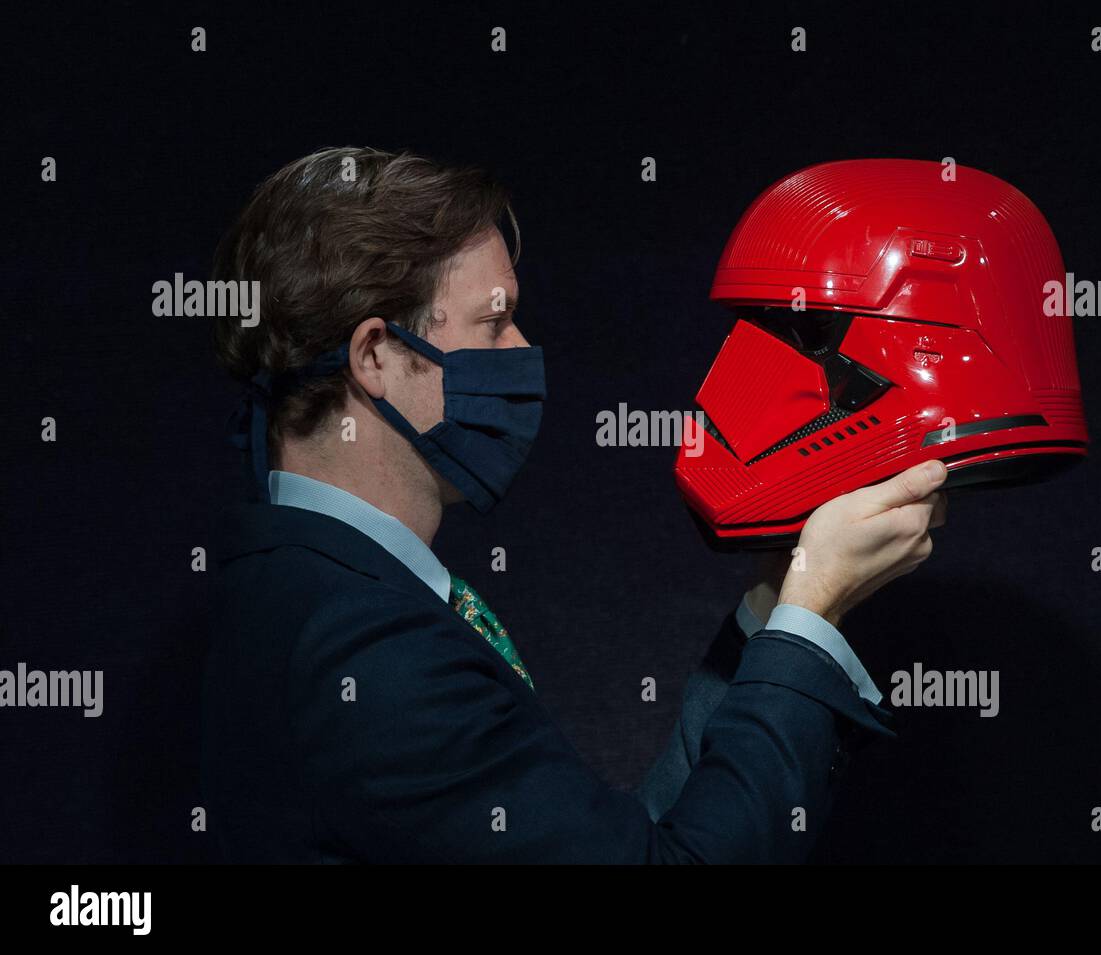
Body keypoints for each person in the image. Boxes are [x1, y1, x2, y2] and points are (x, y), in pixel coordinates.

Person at [200, 146, 946, 863]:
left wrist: (777, 600)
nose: (524, 349)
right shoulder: (364, 648)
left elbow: (643, 843)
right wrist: (813, 613)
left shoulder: (305, 589)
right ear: (375, 357)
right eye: (494, 322)